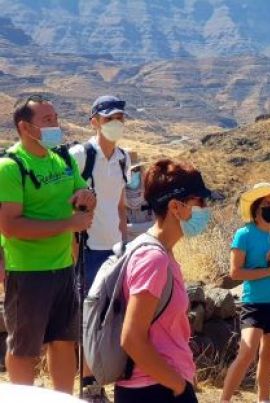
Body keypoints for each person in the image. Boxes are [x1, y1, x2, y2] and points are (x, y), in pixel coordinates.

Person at [0, 95, 96, 394]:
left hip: (64, 267)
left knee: (64, 341)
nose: (56, 125)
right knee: (25, 349)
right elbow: (10, 226)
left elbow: (82, 189)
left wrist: (86, 197)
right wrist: (69, 224)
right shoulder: (11, 167)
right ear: (25, 128)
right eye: (47, 120)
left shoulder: (63, 158)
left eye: (56, 117)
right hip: (28, 271)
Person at [117, 159, 213, 403]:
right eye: (198, 202)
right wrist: (178, 385)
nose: (205, 207)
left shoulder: (162, 252)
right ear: (175, 207)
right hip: (154, 390)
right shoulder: (153, 258)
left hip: (160, 385)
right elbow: (132, 338)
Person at [70, 95, 131, 399]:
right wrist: (73, 247)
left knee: (114, 317)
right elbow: (65, 202)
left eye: (119, 118)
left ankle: (108, 380)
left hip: (115, 250)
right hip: (87, 250)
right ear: (94, 121)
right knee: (90, 319)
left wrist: (125, 242)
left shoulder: (124, 158)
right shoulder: (81, 155)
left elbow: (120, 205)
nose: (115, 124)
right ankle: (89, 385)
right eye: (108, 119)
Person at [221, 183, 270, 403]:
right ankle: (224, 400)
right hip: (254, 302)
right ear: (256, 208)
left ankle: (264, 399)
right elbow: (235, 272)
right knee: (246, 353)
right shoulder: (243, 234)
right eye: (267, 204)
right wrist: (269, 270)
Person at [124, 151, 154, 243]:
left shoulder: (151, 192)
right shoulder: (116, 196)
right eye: (129, 171)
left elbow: (158, 225)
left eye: (135, 170)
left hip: (150, 245)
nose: (133, 174)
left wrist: (127, 229)